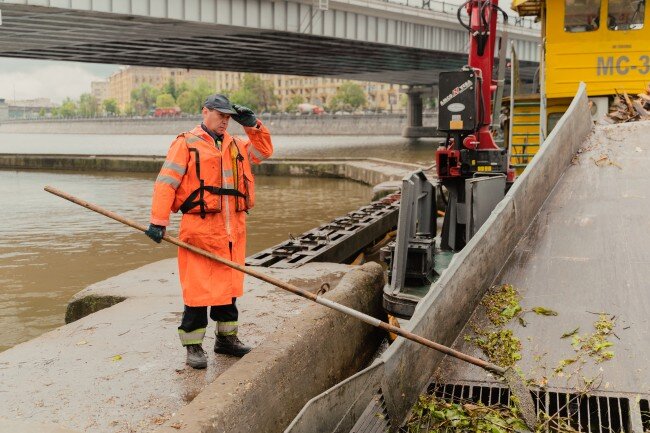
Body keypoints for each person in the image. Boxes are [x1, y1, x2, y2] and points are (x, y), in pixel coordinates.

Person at [144, 94, 273, 369]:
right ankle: (193, 347)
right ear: (205, 112)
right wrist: (158, 221)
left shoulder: (237, 144)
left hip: (232, 232)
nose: (225, 121)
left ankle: (226, 341)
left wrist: (253, 125)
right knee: (198, 292)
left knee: (228, 290)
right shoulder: (186, 143)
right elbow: (166, 183)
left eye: (229, 117)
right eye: (220, 115)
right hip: (200, 231)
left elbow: (263, 152)